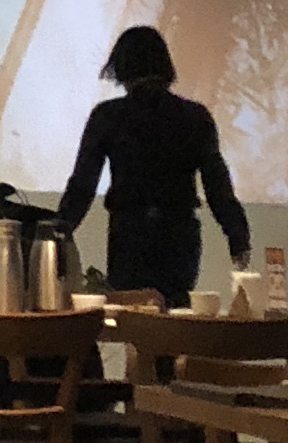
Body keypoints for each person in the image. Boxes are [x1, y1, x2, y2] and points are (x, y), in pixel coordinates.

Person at [53, 25, 247, 304]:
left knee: (133, 313)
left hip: (128, 234)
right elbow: (217, 185)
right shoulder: (195, 117)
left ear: (121, 68)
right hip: (179, 236)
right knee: (175, 312)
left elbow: (82, 184)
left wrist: (59, 233)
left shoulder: (108, 116)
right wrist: (238, 236)